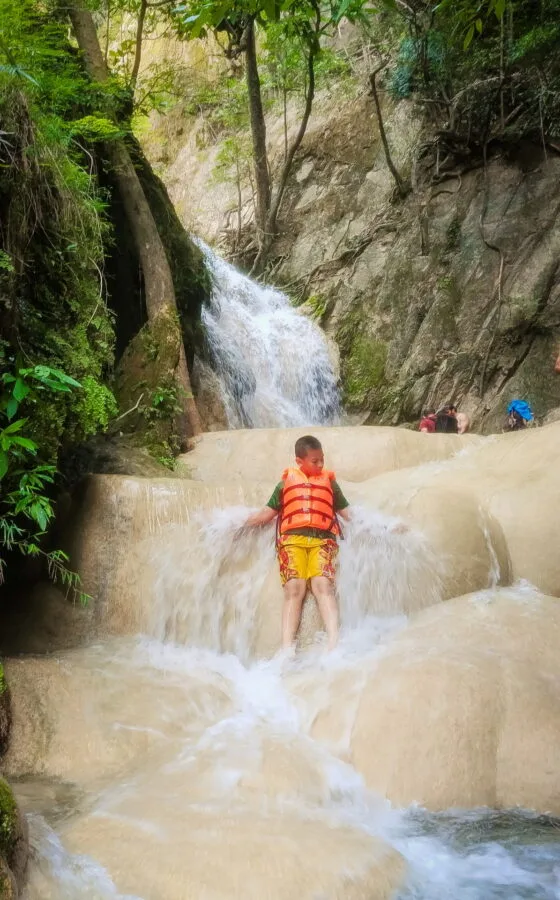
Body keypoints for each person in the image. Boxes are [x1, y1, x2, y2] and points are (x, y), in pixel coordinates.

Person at [243, 434, 351, 652]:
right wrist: (238, 526)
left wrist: (377, 526)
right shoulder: (285, 484)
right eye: (315, 461)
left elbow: (347, 513)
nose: (320, 465)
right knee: (294, 588)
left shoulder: (330, 483)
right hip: (292, 541)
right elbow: (266, 513)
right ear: (299, 462)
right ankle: (287, 648)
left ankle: (334, 642)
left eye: (322, 459)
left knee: (323, 586)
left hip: (322, 541)